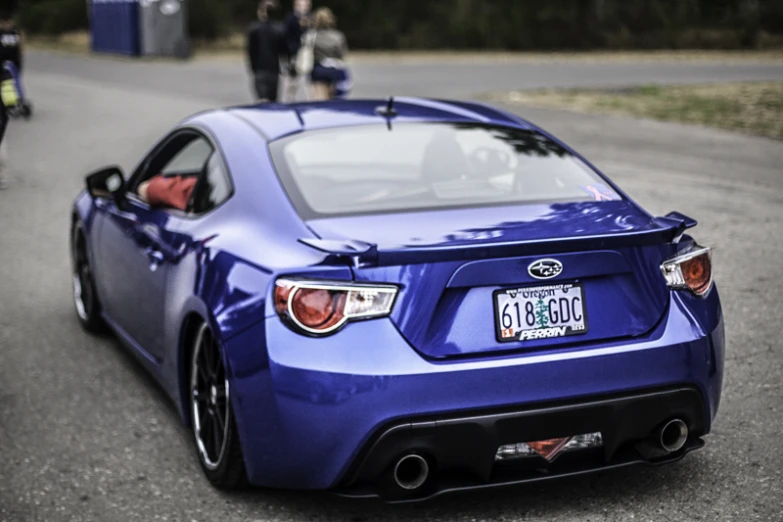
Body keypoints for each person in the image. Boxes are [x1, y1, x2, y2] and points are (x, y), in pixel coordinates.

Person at [246, 0, 287, 102]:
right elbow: (283, 50)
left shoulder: (254, 29)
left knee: (262, 99)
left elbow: (251, 50)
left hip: (260, 68)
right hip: (273, 68)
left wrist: (252, 67)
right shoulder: (279, 29)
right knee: (273, 99)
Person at [309, 7, 351, 101]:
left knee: (320, 101)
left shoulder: (312, 36)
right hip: (334, 70)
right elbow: (342, 54)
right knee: (333, 103)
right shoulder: (338, 36)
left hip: (318, 69)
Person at [282, 0, 312, 102]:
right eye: (303, 4)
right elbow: (286, 37)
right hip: (294, 54)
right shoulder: (290, 18)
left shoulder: (311, 18)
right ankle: (289, 101)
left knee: (309, 82)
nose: (305, 7)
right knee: (292, 81)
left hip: (307, 55)